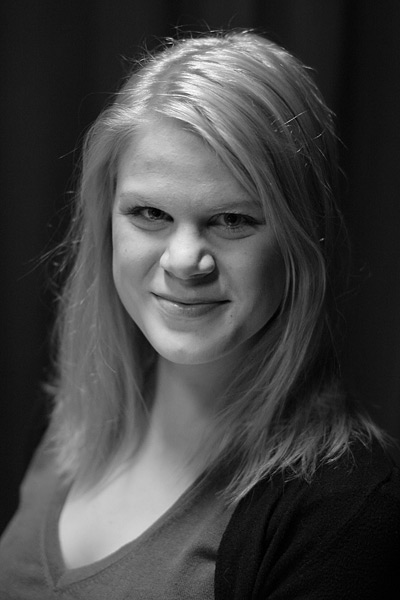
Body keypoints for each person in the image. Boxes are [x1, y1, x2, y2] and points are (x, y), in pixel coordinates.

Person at [0, 30, 399, 599]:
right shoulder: (66, 420)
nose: (185, 261)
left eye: (232, 220)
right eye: (149, 213)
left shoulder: (348, 514)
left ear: (300, 239)